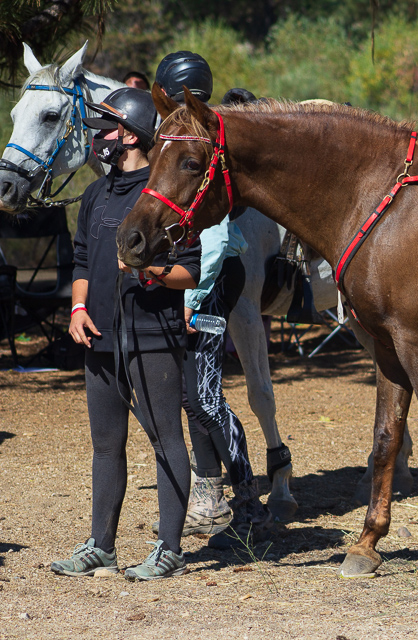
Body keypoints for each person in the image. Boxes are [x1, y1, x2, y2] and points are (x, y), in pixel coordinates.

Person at [50, 88, 201, 581]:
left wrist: (150, 271)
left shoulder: (165, 190)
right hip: (98, 336)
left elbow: (190, 274)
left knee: (165, 441)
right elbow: (79, 259)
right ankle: (101, 546)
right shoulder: (96, 193)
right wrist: (76, 306)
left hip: (152, 334)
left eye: (107, 130)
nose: (99, 139)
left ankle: (171, 549)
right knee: (105, 445)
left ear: (132, 134)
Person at [153, 51, 274, 550]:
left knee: (203, 397)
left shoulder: (205, 137)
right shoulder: (181, 132)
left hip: (212, 280)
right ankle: (215, 490)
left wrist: (194, 296)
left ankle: (244, 496)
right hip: (198, 278)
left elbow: (219, 239)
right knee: (195, 397)